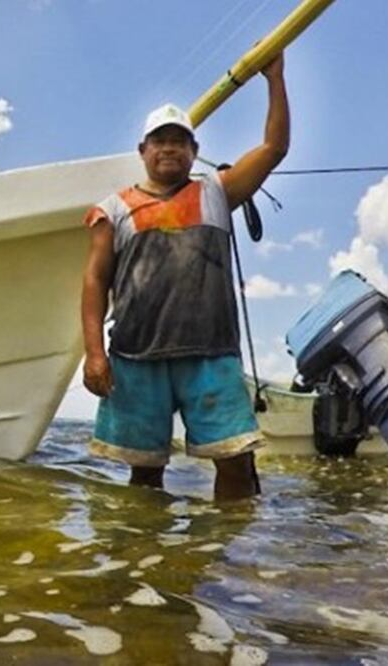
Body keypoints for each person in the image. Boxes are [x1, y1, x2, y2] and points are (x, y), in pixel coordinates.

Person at [80, 53, 289, 501]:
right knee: (144, 475)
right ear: (143, 151)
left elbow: (274, 149)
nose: (169, 148)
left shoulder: (216, 190)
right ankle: (144, 562)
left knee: (235, 463)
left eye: (180, 141)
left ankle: (231, 566)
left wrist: (275, 78)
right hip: (136, 359)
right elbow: (95, 282)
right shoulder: (114, 209)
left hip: (210, 354)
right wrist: (95, 355)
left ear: (194, 151)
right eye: (159, 140)